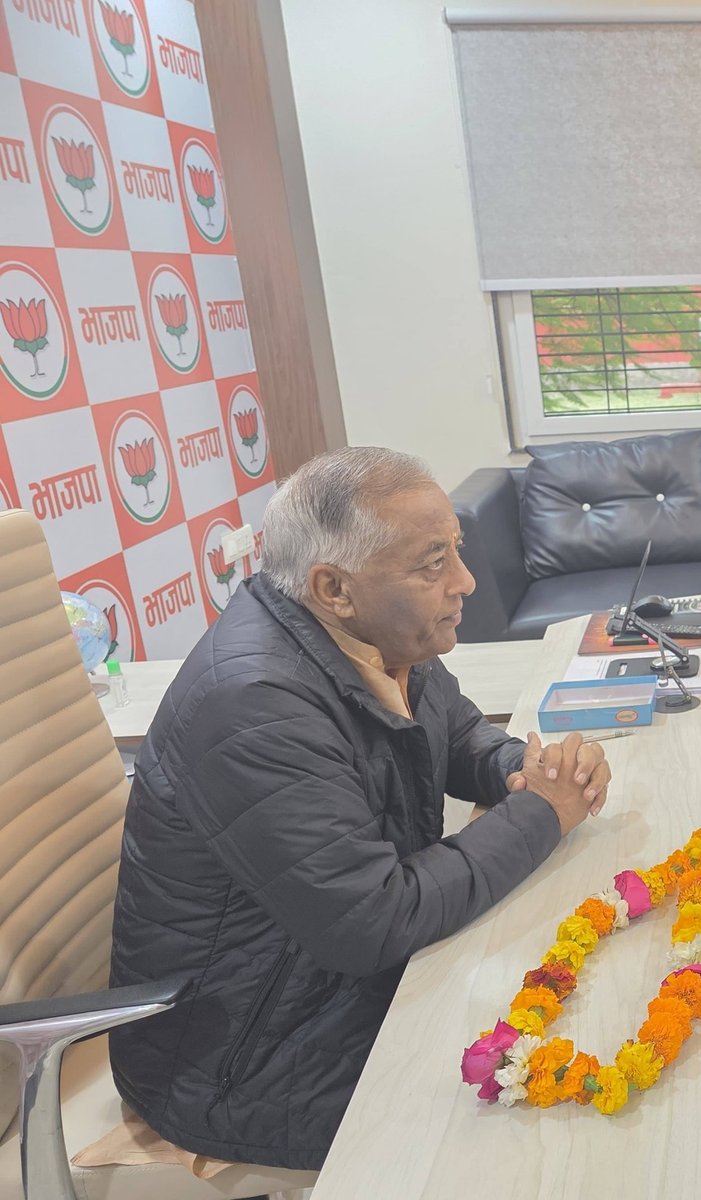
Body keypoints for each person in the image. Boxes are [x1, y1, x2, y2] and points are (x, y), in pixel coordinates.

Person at [108, 447, 612, 1170]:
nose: (465, 581)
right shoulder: (253, 705)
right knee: (560, 1117)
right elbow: (373, 922)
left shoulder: (374, 637)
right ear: (334, 588)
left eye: (456, 550)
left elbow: (456, 736)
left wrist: (525, 770)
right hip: (239, 1061)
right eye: (433, 563)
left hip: (320, 985)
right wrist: (544, 813)